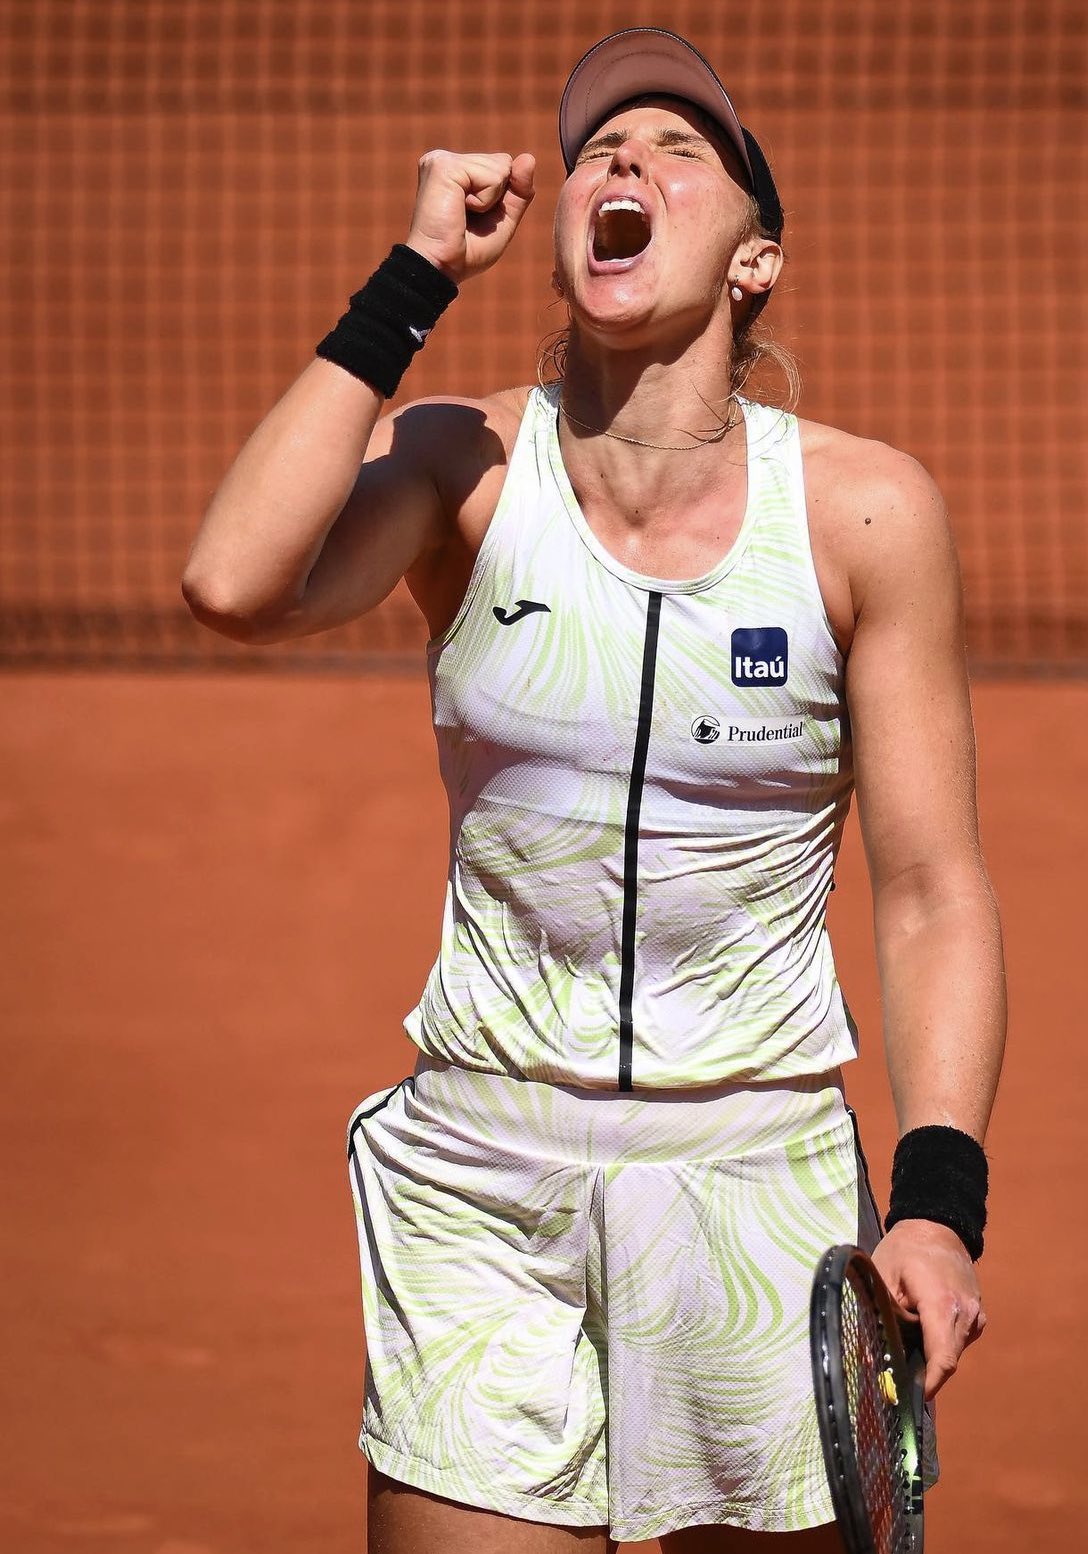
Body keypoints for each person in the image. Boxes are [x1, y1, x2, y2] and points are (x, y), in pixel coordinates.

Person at [183, 26, 1006, 1554]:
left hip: (754, 1182)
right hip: (481, 1181)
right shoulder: (463, 466)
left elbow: (930, 884)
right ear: (563, 247)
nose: (624, 161)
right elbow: (235, 581)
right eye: (599, 152)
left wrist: (938, 1196)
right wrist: (414, 273)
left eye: (677, 148)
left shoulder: (864, 511)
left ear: (756, 260)